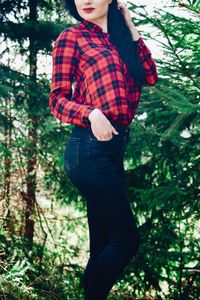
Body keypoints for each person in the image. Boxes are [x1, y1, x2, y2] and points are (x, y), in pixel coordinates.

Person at [49, 0, 158, 299]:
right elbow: (57, 99)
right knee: (126, 240)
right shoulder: (72, 38)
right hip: (87, 149)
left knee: (103, 244)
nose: (85, 0)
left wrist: (129, 24)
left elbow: (150, 75)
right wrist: (91, 113)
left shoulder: (121, 42)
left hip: (113, 151)